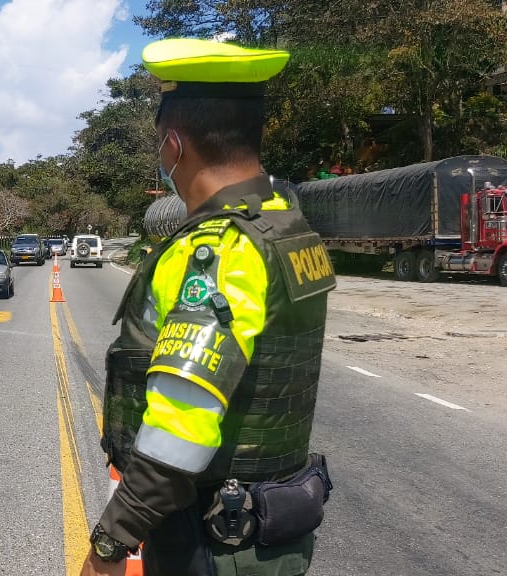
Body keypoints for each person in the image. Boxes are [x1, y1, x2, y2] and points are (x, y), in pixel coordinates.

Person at [82, 38, 336, 576]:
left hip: (214, 543)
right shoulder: (285, 224)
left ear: (174, 145)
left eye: (159, 146)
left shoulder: (220, 250)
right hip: (268, 525)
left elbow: (184, 427)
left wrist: (110, 542)